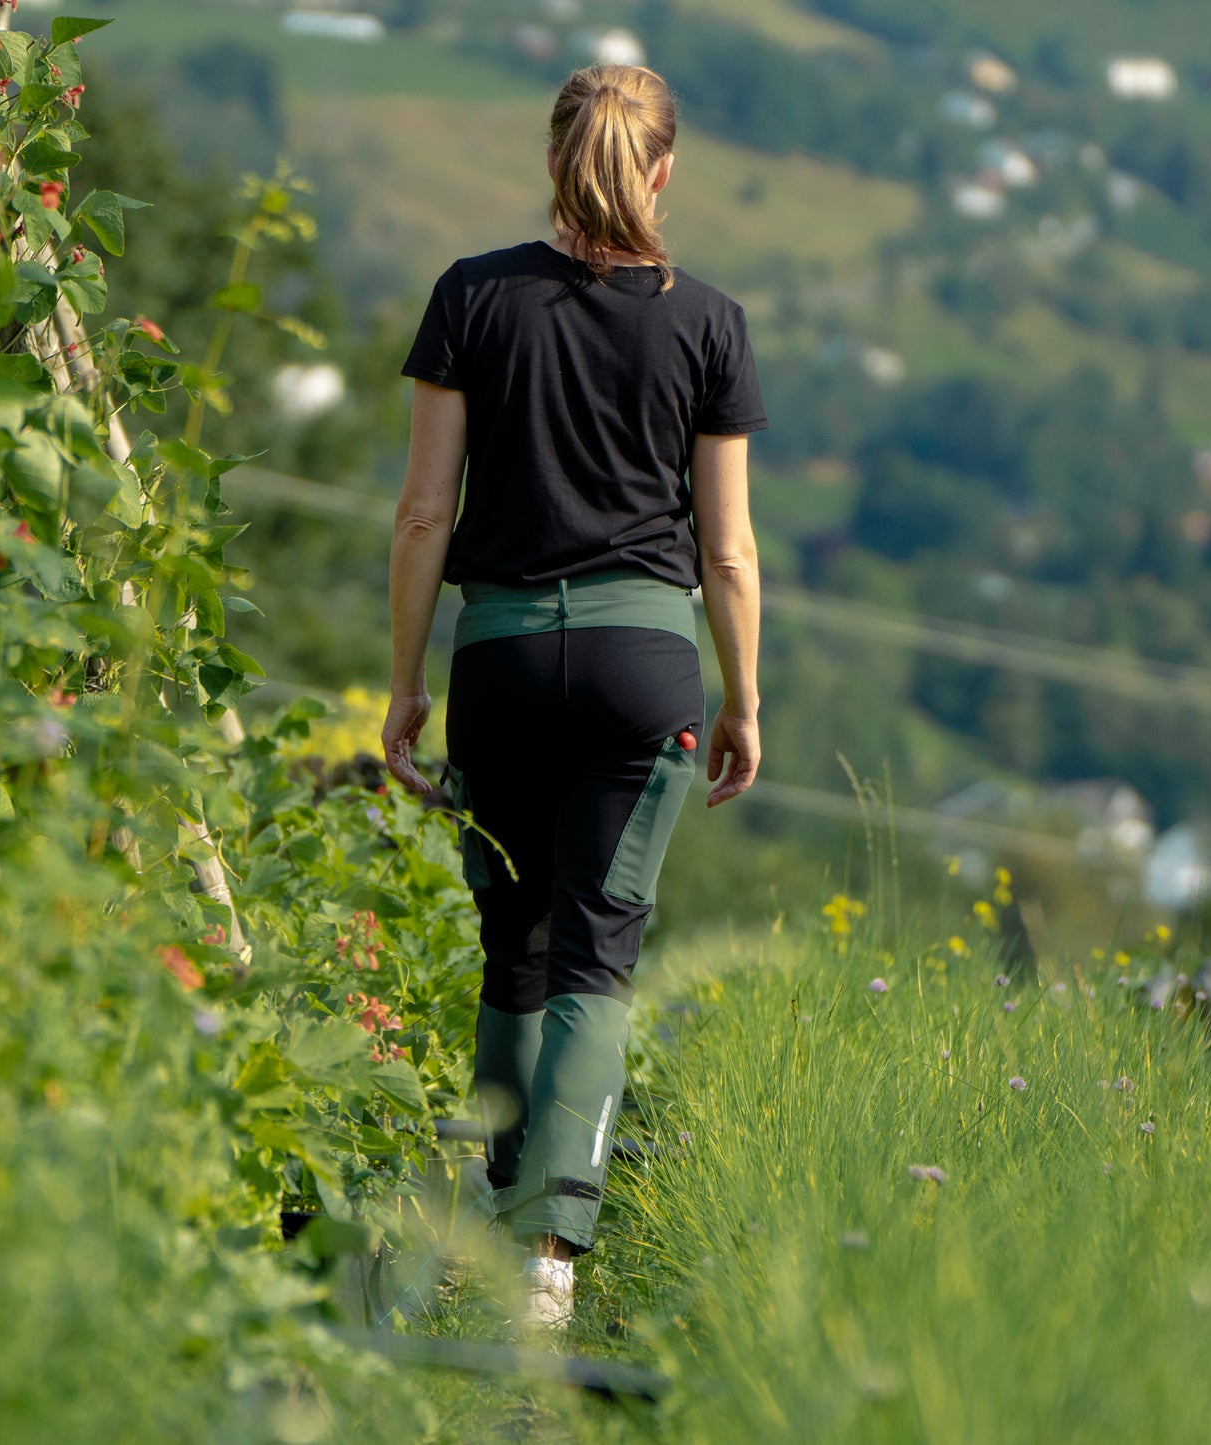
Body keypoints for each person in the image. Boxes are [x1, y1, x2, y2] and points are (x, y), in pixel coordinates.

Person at [381, 62, 766, 1331]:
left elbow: (425, 510)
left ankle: (486, 1218)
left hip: (493, 660)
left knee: (515, 949)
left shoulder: (470, 298)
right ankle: (550, 1256)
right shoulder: (707, 322)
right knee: (596, 957)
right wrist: (743, 699)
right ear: (662, 172)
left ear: (553, 162)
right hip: (639, 665)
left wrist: (402, 687)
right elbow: (725, 551)